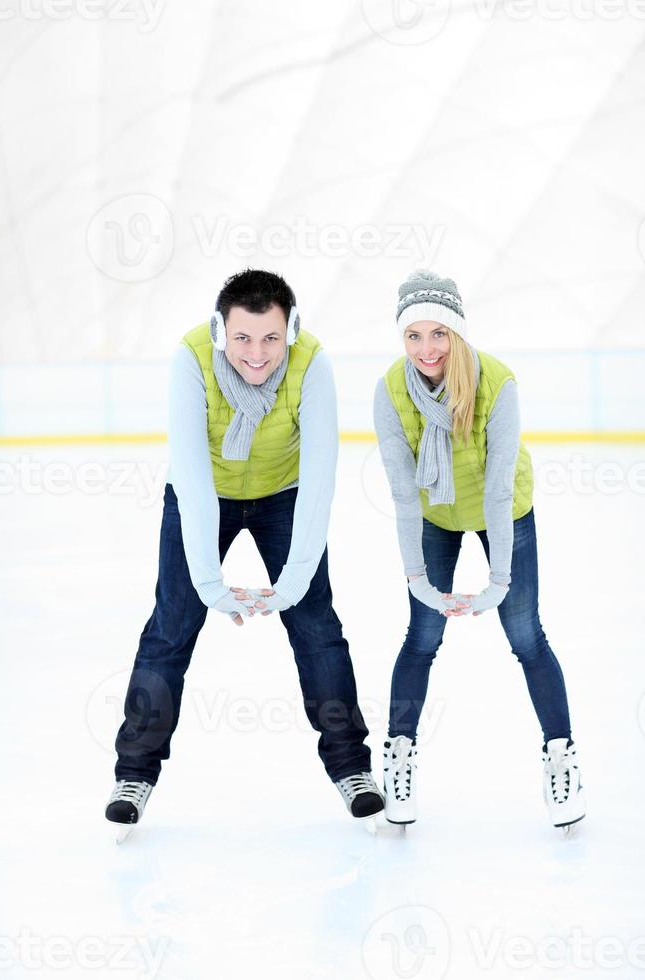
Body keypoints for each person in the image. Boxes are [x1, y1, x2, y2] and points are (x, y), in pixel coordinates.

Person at [105, 268, 383, 836]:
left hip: (285, 496)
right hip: (205, 491)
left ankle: (353, 769)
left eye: (271, 339)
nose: (257, 354)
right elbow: (189, 469)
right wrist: (209, 583)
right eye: (243, 339)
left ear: (291, 331)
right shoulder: (190, 360)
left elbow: (321, 474)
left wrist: (297, 576)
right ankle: (134, 773)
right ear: (220, 331)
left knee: (316, 626)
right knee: (172, 627)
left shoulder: (312, 363)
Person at [374, 269, 585, 831]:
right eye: (413, 336)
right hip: (435, 514)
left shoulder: (497, 382)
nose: (426, 349)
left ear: (458, 333)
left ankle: (562, 756)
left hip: (503, 511)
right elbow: (400, 490)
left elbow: (496, 486)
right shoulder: (392, 389)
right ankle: (398, 757)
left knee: (525, 635)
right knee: (422, 636)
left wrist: (498, 581)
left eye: (438, 334)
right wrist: (417, 578)